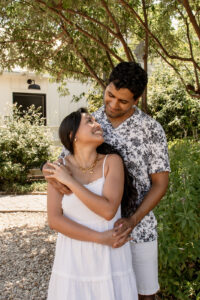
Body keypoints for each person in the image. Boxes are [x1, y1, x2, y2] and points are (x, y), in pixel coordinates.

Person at [43, 62, 170, 300]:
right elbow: (64, 160)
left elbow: (160, 183)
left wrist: (133, 219)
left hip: (138, 229)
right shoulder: (92, 121)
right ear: (107, 85)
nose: (112, 104)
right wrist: (45, 169)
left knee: (143, 295)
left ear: (137, 99)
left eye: (122, 101)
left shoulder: (151, 130)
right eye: (110, 95)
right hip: (96, 229)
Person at [45, 108, 138, 300]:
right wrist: (99, 238)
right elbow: (54, 220)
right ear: (72, 135)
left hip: (110, 256)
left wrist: (71, 182)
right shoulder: (57, 168)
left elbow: (108, 210)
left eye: (96, 121)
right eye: (89, 121)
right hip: (73, 256)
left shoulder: (112, 162)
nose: (98, 125)